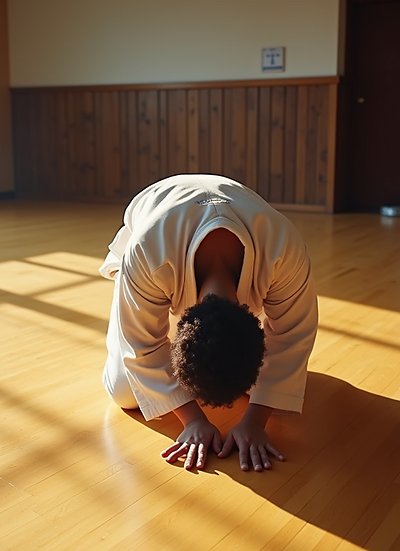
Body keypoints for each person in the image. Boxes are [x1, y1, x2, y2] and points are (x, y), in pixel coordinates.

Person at [99, 174, 318, 473]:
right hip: (157, 206)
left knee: (256, 388)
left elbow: (293, 335)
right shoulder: (149, 253)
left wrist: (255, 421)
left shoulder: (283, 249)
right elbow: (143, 344)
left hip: (229, 203)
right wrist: (193, 420)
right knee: (125, 392)